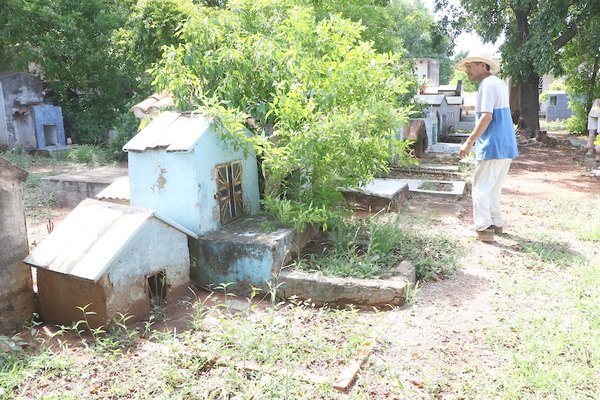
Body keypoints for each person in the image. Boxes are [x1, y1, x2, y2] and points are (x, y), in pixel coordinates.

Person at [455, 52, 519, 242]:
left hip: (493, 143)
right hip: (506, 144)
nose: (467, 70)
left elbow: (486, 116)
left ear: (482, 65)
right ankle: (496, 223)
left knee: (480, 187)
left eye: (470, 66)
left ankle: (483, 228)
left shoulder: (487, 85)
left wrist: (469, 142)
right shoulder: (498, 83)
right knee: (493, 188)